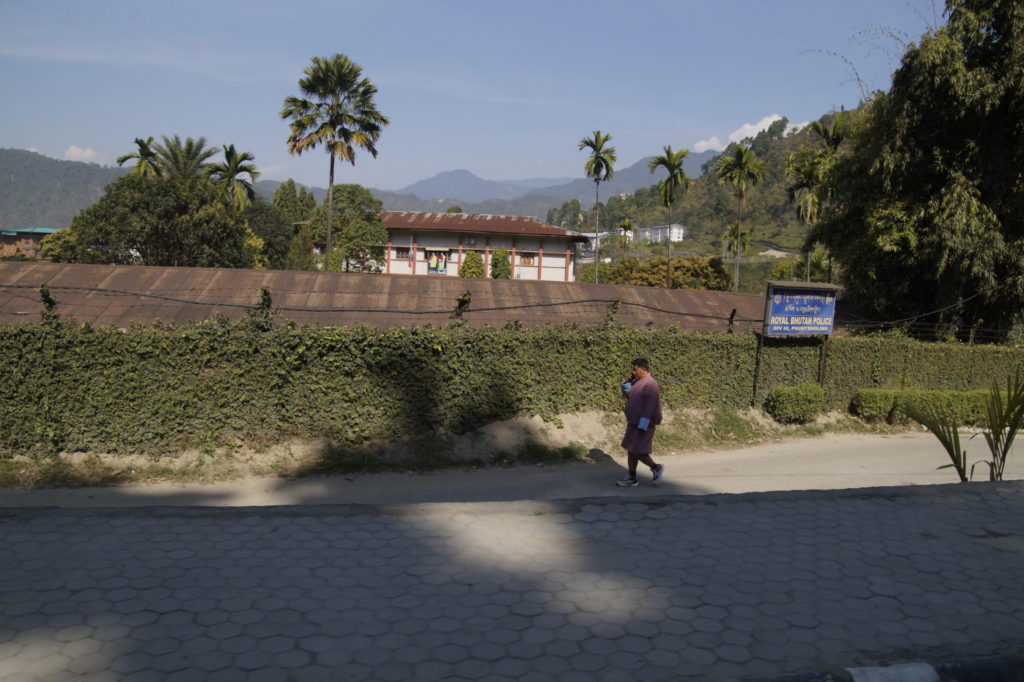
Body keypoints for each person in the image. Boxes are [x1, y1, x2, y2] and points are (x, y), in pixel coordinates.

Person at [617, 358, 665, 487]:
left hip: (643, 423)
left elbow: (650, 405)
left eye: (635, 369)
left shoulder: (651, 384)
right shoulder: (639, 383)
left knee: (636, 450)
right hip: (634, 422)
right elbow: (627, 394)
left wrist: (643, 424)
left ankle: (656, 467)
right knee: (630, 449)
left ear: (643, 369)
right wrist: (628, 381)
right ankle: (632, 477)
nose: (633, 371)